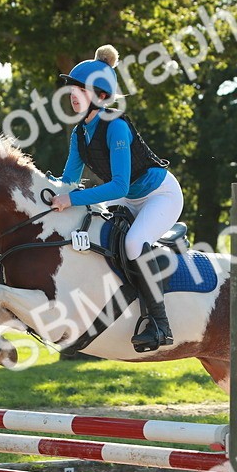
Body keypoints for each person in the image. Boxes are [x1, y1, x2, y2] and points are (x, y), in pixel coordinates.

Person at [49, 45, 182, 353]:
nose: (73, 93)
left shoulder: (117, 127)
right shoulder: (79, 134)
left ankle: (160, 325)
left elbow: (119, 186)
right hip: (130, 200)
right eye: (73, 87)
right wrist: (41, 187)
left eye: (81, 88)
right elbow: (67, 181)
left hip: (160, 196)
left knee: (134, 243)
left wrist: (72, 199)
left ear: (102, 96)